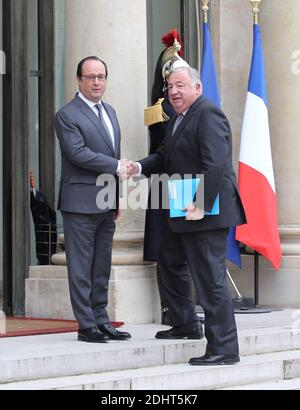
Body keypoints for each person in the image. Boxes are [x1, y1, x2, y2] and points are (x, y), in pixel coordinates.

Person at [127, 65, 246, 365]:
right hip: (184, 210)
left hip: (206, 211)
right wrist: (138, 167)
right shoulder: (179, 119)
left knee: (210, 279)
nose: (174, 92)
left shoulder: (208, 113)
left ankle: (225, 348)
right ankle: (185, 323)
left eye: (180, 85)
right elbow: (164, 156)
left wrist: (202, 203)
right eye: (170, 87)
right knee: (168, 260)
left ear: (197, 88)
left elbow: (216, 163)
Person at [55, 56, 131, 343]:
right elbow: (78, 153)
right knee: (81, 267)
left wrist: (118, 196)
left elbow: (113, 153)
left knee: (102, 266)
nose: (97, 82)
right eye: (91, 77)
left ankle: (102, 320)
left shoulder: (109, 111)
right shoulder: (67, 115)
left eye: (101, 76)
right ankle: (86, 325)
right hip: (80, 203)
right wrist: (115, 168)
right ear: (79, 80)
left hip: (106, 201)